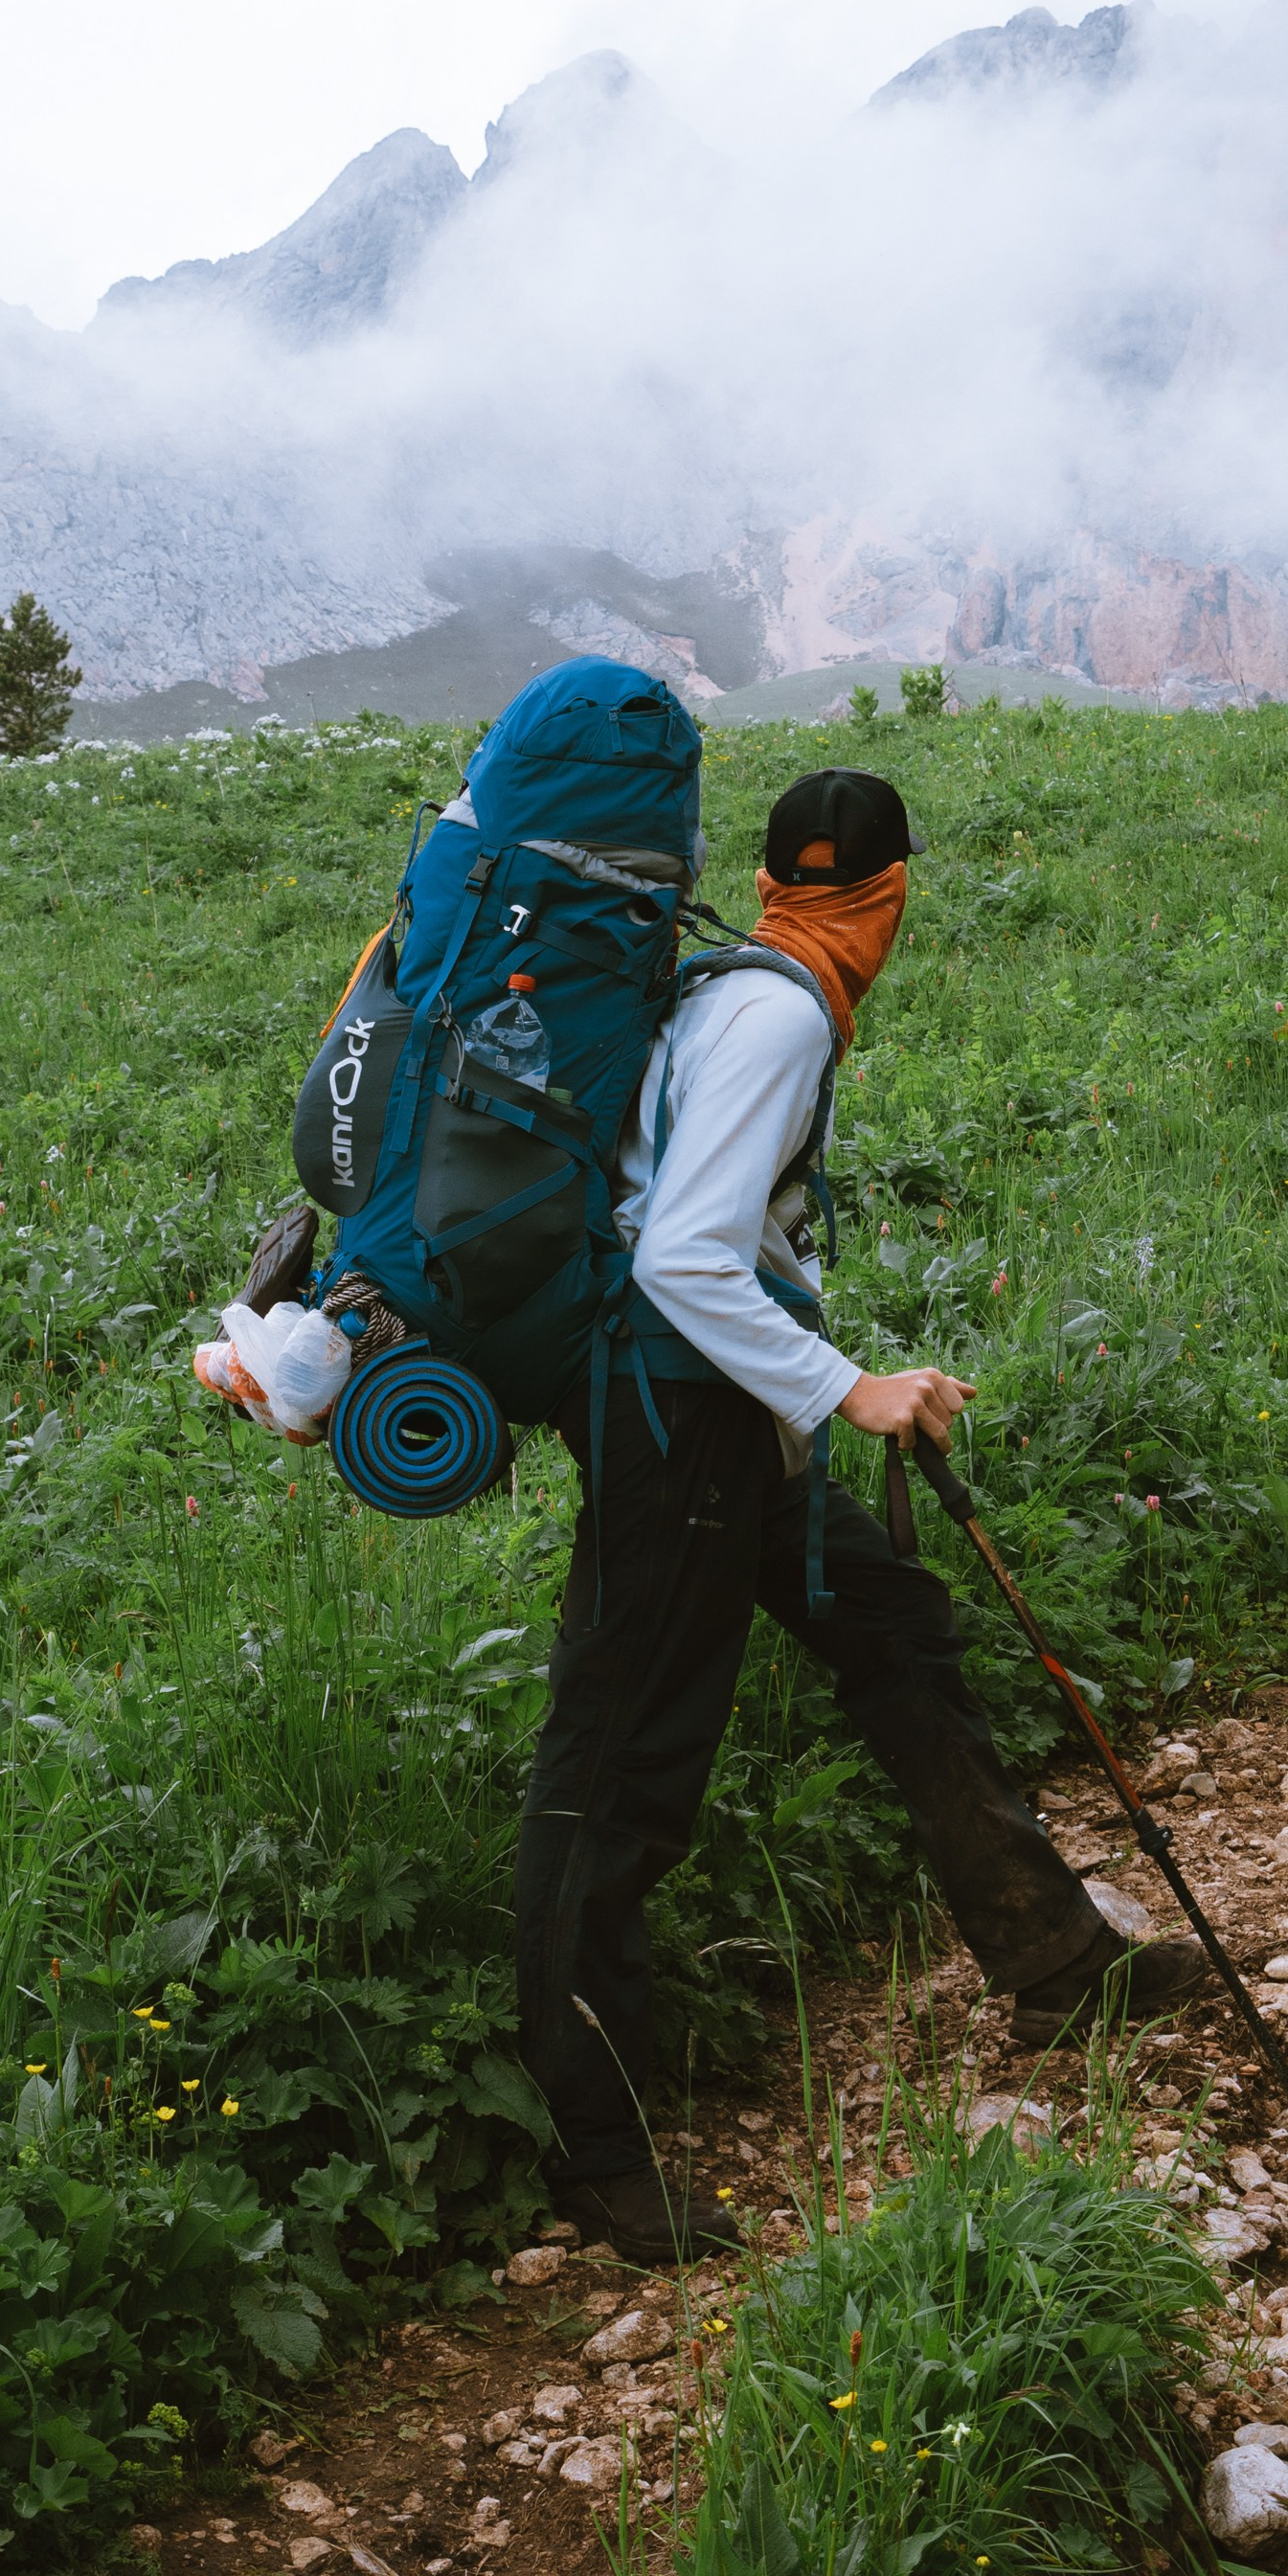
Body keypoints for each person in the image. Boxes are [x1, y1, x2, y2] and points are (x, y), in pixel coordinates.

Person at [515, 764, 1203, 2263]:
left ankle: (1050, 1956)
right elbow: (683, 1260)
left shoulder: (730, 985)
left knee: (893, 1628)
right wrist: (851, 1387)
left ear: (773, 885)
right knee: (620, 1767)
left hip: (727, 1421)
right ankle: (592, 2151)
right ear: (892, 894)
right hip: (684, 1427)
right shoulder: (776, 1015)